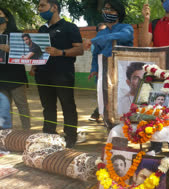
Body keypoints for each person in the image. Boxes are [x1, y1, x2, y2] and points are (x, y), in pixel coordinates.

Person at [31, 0, 84, 148]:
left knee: (67, 105)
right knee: (47, 106)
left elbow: (79, 49)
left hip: (63, 73)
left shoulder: (69, 27)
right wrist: (34, 65)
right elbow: (38, 50)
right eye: (39, 7)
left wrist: (60, 52)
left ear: (54, 7)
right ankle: (49, 134)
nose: (39, 9)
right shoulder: (41, 29)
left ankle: (71, 136)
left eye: (42, 6)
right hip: (42, 73)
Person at [83, 0, 134, 76]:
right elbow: (96, 54)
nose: (107, 12)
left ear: (119, 13)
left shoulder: (126, 28)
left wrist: (93, 40)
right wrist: (94, 69)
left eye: (111, 10)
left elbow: (124, 36)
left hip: (123, 72)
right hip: (103, 73)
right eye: (106, 9)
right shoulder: (100, 33)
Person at [0, 7, 31, 130]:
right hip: (0, 77)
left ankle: (27, 133)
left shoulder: (18, 34)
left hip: (16, 76)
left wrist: (10, 50)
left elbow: (27, 53)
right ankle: (6, 136)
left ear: (7, 18)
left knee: (22, 105)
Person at [88, 23, 106, 122]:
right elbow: (95, 58)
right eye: (100, 30)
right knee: (102, 95)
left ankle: (97, 114)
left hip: (112, 73)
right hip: (100, 74)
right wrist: (94, 70)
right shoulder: (94, 44)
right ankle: (97, 114)